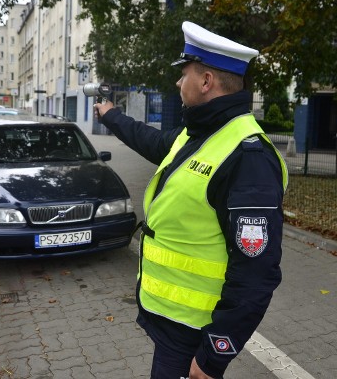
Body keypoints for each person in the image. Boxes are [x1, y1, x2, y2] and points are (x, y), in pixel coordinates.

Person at [94, 21, 288, 379]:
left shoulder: (248, 156)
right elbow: (151, 141)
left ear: (206, 81)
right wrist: (111, 116)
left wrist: (214, 354)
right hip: (171, 324)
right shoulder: (198, 134)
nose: (178, 83)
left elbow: (257, 273)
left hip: (195, 338)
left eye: (184, 74)